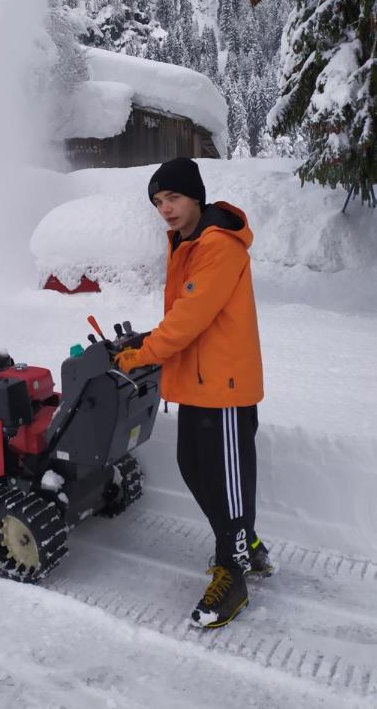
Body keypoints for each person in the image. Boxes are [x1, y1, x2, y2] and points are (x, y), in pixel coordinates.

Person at [115, 157, 273, 629]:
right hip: (199, 383)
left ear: (195, 196)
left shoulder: (217, 245)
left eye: (173, 198)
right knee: (193, 468)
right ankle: (245, 540)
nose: (165, 208)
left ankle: (234, 571)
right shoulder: (186, 241)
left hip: (223, 386)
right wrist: (144, 339)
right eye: (158, 201)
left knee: (226, 483)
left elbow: (189, 319)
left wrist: (144, 354)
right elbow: (188, 312)